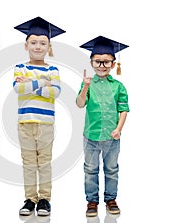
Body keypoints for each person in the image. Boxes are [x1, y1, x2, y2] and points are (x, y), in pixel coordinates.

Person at [13, 17, 65, 216]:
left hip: (46, 124)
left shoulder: (53, 69)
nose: (38, 46)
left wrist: (31, 84)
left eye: (43, 43)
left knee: (44, 163)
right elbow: (19, 88)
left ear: (49, 46)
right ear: (26, 45)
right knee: (28, 163)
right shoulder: (20, 67)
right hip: (25, 123)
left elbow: (57, 92)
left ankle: (44, 199)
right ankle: (29, 199)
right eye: (33, 42)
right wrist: (43, 83)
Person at [76, 36, 130, 217]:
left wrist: (118, 129)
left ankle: (110, 199)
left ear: (113, 64)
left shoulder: (119, 86)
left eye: (106, 62)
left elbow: (123, 110)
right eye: (98, 62)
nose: (101, 65)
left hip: (112, 137)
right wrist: (85, 87)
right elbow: (79, 104)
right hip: (91, 136)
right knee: (90, 169)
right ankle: (92, 201)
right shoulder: (88, 84)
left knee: (112, 169)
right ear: (91, 62)